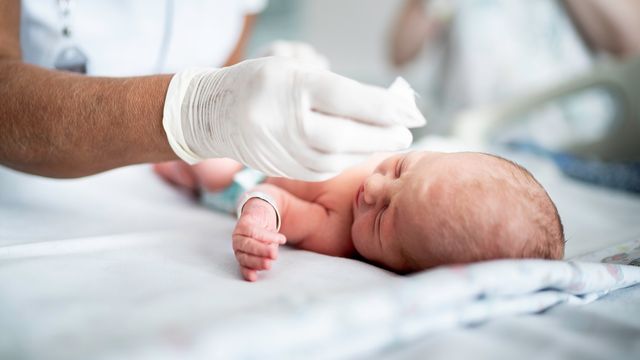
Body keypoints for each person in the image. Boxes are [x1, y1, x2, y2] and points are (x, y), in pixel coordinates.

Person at [0, 0, 425, 182]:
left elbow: (224, 62)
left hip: (175, 199)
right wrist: (197, 112)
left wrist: (253, 81)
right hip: (28, 196)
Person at [156, 149, 565, 282]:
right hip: (282, 144)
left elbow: (274, 197)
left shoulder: (337, 234)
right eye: (401, 169)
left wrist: (258, 221)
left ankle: (178, 171)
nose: (373, 188)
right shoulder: (407, 176)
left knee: (209, 164)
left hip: (248, 172)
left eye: (385, 217)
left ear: (400, 265)